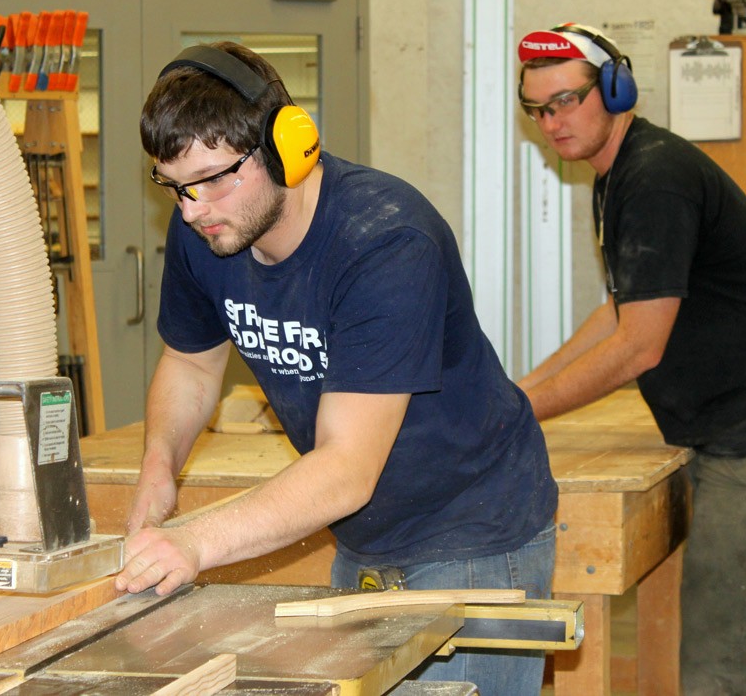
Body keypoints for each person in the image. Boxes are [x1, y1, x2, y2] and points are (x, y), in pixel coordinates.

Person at [114, 41, 558, 693]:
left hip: (472, 534)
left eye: (213, 180)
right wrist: (158, 474)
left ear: (286, 146)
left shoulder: (386, 242)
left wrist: (195, 541)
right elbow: (190, 363)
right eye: (175, 188)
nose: (192, 210)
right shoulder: (205, 231)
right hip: (364, 539)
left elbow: (347, 468)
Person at [515, 23, 746, 696]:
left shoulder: (654, 178)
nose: (553, 122)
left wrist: (516, 415)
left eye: (567, 101)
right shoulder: (618, 174)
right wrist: (521, 388)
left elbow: (639, 344)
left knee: (724, 663)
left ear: (615, 89)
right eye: (537, 109)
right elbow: (620, 309)